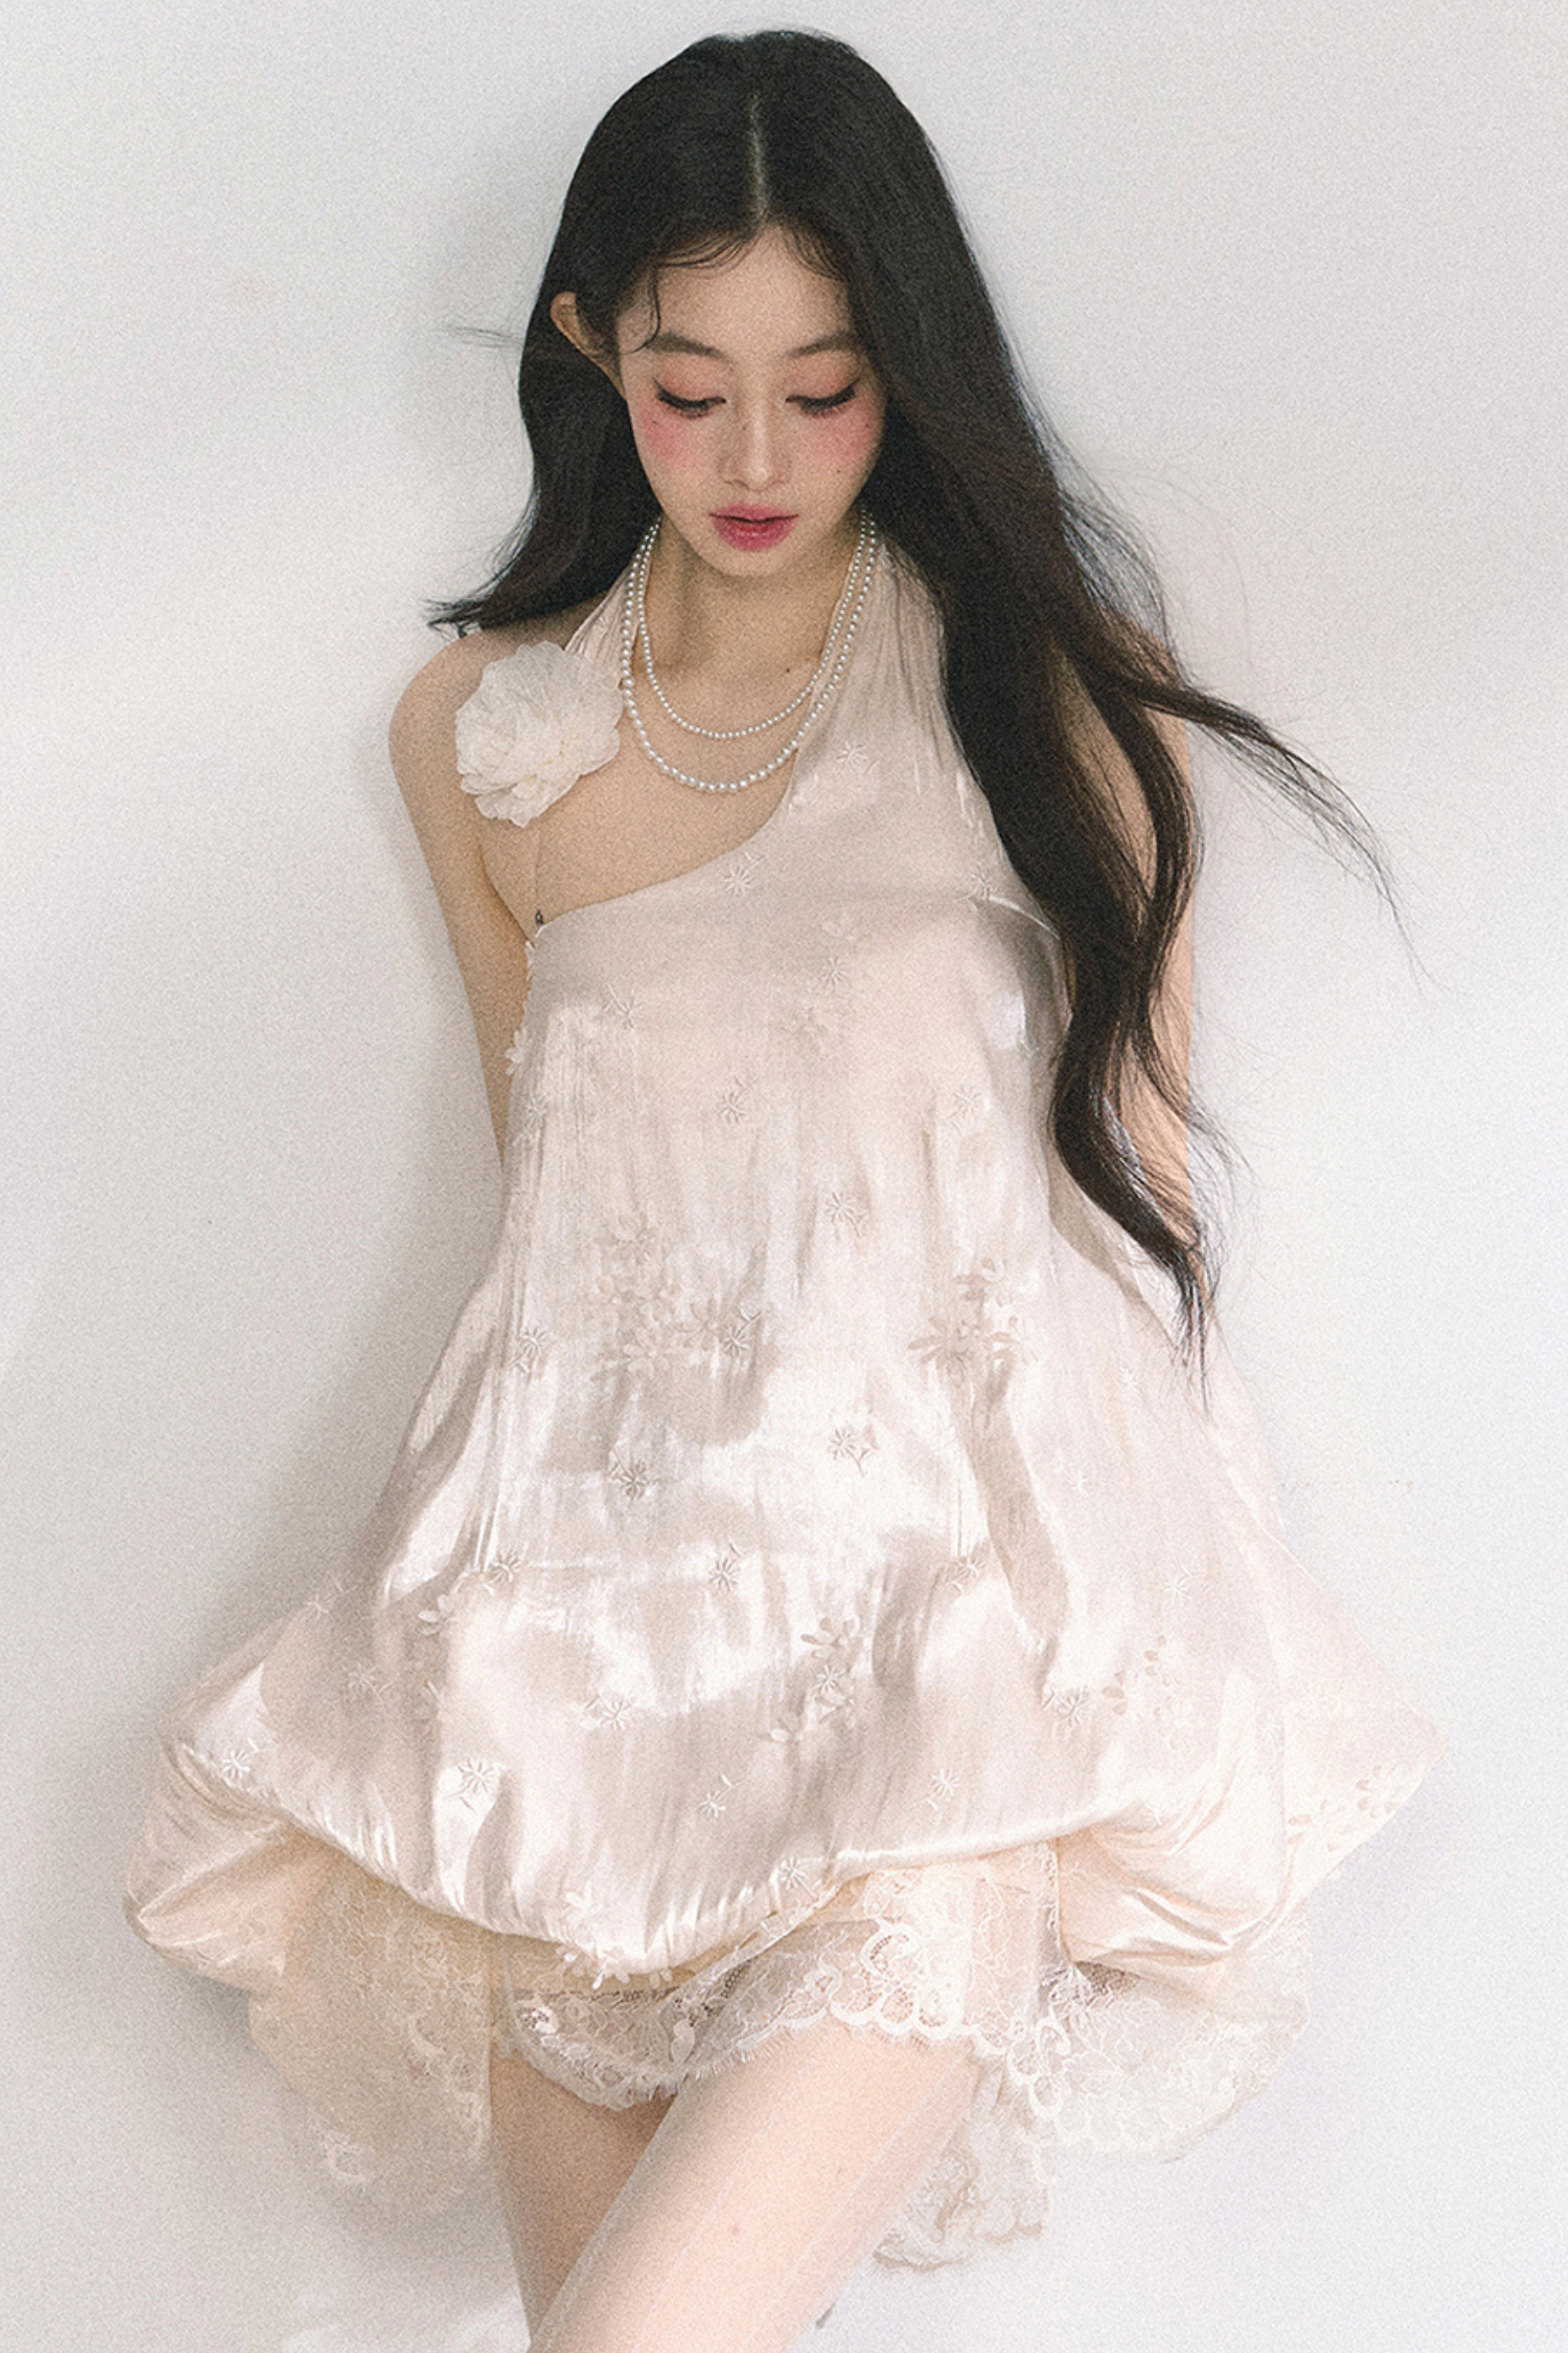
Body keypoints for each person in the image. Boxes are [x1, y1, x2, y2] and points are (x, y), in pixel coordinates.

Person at [124, 30, 1445, 2350]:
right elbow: (559, 1228)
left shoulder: (1056, 701)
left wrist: (1160, 1666)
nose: (756, 458)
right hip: (561, 1713)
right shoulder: (484, 738)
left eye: (824, 390)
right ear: (588, 352)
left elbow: (1140, 1213)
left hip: (930, 1704)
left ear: (907, 370)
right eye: (689, 387)